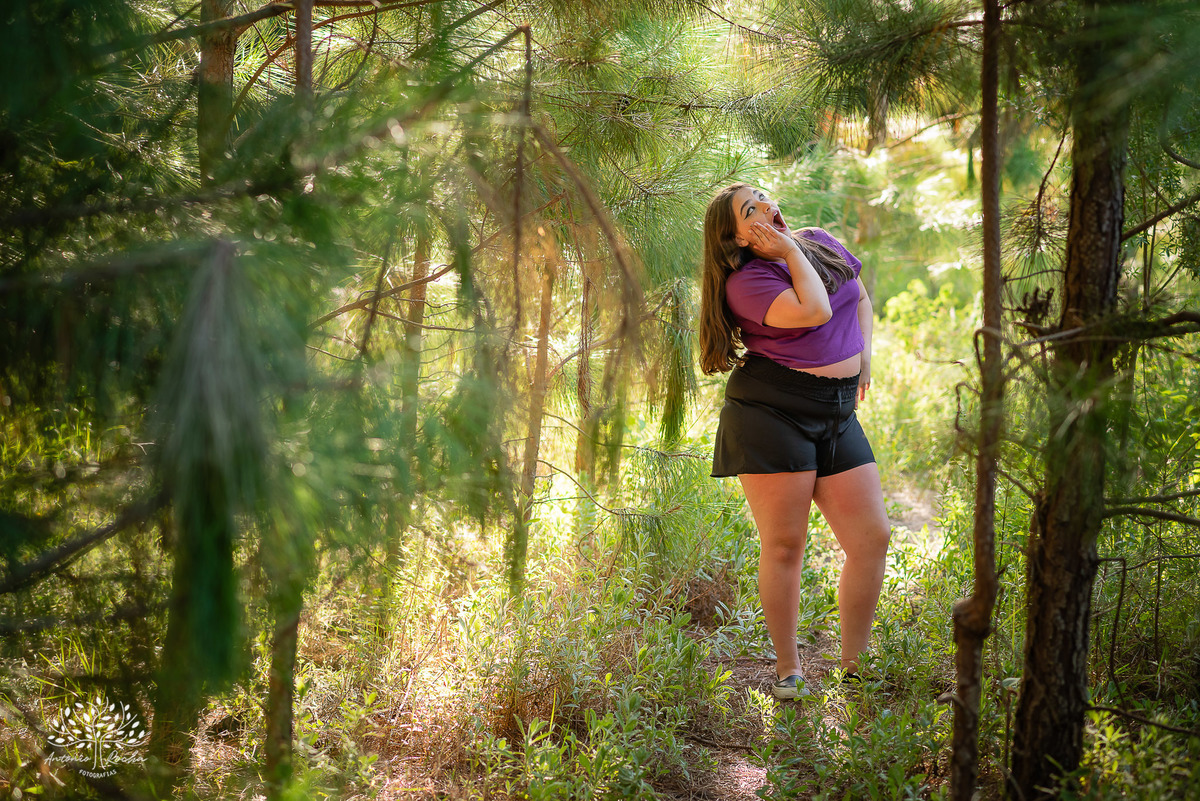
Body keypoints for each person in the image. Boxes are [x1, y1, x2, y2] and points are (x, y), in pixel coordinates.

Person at [699, 183, 891, 699]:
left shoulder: (818, 241)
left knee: (872, 538)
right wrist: (787, 251)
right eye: (749, 210)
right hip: (772, 412)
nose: (766, 207)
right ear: (734, 238)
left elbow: (860, 295)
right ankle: (789, 671)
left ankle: (855, 665)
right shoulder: (748, 281)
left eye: (764, 197)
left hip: (838, 411)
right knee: (785, 544)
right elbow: (816, 311)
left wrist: (864, 355)